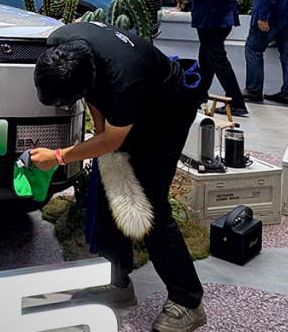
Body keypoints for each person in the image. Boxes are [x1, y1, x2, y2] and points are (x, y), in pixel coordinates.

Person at [33, 21, 207, 332]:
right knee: (109, 187)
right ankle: (117, 282)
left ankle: (188, 301)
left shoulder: (125, 82)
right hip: (129, 105)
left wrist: (57, 157)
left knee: (148, 205)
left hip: (166, 111)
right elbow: (94, 96)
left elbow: (112, 140)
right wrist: (100, 133)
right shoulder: (62, 43)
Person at [184, 0, 247, 117]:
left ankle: (237, 102)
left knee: (218, 59)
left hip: (208, 18)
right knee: (206, 57)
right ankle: (199, 96)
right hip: (226, 17)